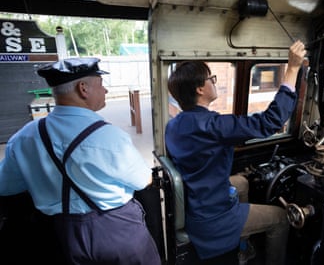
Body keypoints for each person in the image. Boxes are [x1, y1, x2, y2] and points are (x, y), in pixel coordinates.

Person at [0, 57, 161, 265]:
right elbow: (143, 180)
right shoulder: (108, 137)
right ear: (83, 88)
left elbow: (6, 186)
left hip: (63, 236)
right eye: (101, 85)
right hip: (118, 231)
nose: (105, 91)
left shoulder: (24, 137)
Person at [165, 40, 306, 265]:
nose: (214, 81)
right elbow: (271, 122)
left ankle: (243, 246)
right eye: (211, 78)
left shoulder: (174, 125)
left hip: (197, 199)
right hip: (213, 218)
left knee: (241, 182)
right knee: (280, 218)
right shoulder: (214, 126)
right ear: (200, 89)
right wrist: (292, 69)